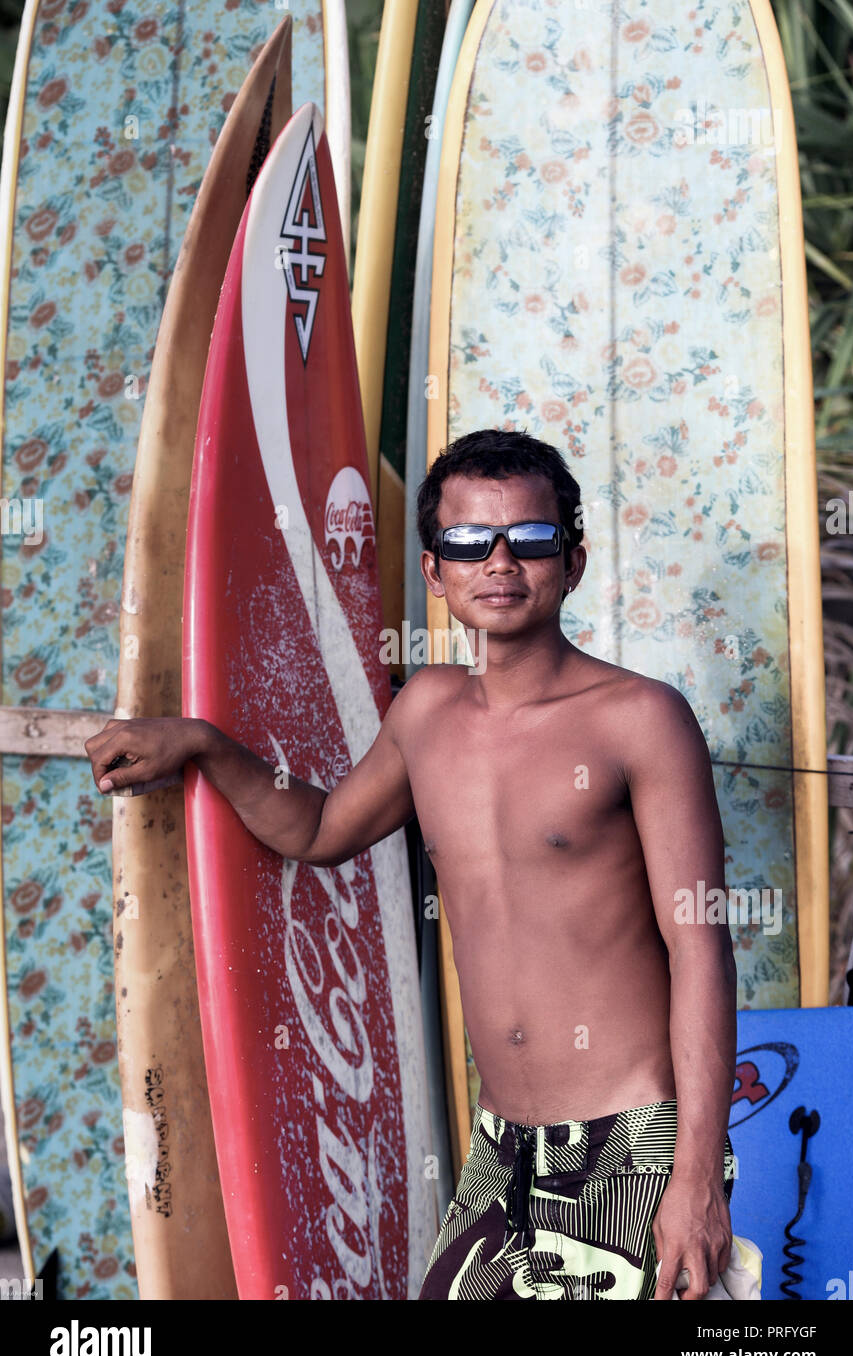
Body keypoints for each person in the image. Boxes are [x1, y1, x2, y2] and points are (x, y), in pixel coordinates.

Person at [85, 428, 737, 1302]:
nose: (499, 562)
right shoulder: (427, 710)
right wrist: (204, 745)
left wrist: (695, 1171)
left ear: (572, 562)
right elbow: (319, 829)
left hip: (633, 1142)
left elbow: (701, 947)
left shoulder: (640, 720)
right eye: (469, 542)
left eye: (529, 539)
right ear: (436, 572)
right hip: (502, 1147)